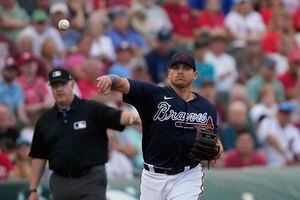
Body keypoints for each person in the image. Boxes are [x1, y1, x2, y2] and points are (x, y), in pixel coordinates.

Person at [97, 52, 223, 200]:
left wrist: (216, 150)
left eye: (186, 68)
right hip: (153, 177)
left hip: (187, 175)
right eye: (175, 68)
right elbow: (123, 83)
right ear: (169, 73)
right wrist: (110, 79)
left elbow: (215, 144)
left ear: (195, 74)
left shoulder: (206, 107)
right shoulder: (153, 94)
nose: (180, 71)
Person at [28, 68, 140, 200]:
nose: (59, 89)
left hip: (90, 179)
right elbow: (39, 157)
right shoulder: (45, 120)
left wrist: (133, 118)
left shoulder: (90, 109)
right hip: (60, 181)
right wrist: (33, 189)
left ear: (72, 85)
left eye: (62, 84)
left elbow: (116, 116)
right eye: (54, 86)